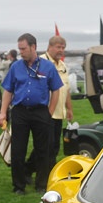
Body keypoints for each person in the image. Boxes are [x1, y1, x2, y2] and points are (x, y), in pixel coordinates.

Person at [0, 33, 62, 195]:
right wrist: (3, 113)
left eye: (24, 49)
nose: (21, 52)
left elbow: (56, 90)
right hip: (20, 112)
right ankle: (19, 186)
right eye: (19, 49)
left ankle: (41, 184)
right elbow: (8, 90)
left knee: (43, 150)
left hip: (40, 112)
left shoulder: (48, 67)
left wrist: (49, 112)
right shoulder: (16, 67)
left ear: (33, 47)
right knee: (18, 150)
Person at [27, 35, 74, 167]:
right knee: (45, 146)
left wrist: (69, 108)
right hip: (45, 111)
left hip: (59, 113)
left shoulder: (63, 66)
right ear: (50, 47)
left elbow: (66, 89)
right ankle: (45, 173)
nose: (61, 50)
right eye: (58, 47)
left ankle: (29, 169)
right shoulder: (40, 62)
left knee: (53, 146)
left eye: (63, 48)